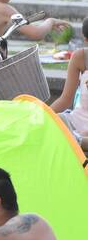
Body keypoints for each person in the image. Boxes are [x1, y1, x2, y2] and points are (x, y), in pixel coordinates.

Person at [50, 18, 88, 148]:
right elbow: (65, 100)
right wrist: (42, 116)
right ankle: (78, 141)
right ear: (86, 40)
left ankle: (78, 141)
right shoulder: (81, 57)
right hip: (78, 122)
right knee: (58, 120)